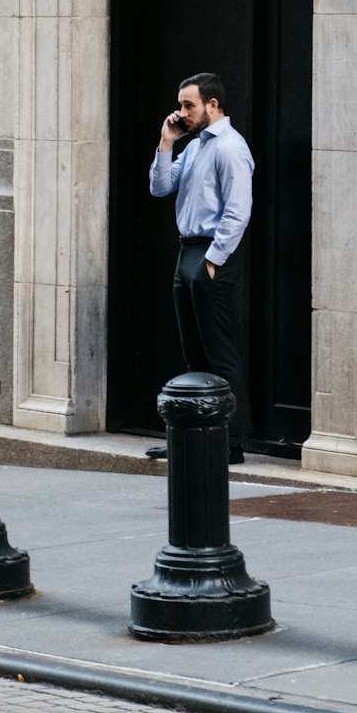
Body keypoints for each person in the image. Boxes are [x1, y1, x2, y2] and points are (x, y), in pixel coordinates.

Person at [146, 73, 254, 464]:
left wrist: (213, 259)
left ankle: (231, 442)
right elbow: (160, 187)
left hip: (212, 254)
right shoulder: (193, 148)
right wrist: (166, 143)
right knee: (194, 349)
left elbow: (238, 212)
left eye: (189, 105)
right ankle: (196, 434)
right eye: (181, 104)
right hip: (187, 251)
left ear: (213, 104)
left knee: (219, 350)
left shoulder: (229, 147)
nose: (181, 112)